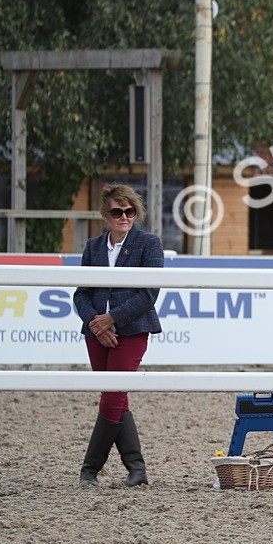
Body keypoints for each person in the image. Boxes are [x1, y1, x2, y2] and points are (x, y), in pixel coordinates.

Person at [73, 185, 164, 487]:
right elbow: (81, 293)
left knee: (112, 397)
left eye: (129, 211)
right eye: (117, 211)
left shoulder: (149, 243)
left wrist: (113, 318)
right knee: (117, 398)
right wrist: (97, 324)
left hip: (132, 330)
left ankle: (89, 470)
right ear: (105, 215)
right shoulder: (93, 247)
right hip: (96, 333)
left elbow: (149, 293)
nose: (124, 216)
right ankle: (137, 470)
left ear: (135, 213)